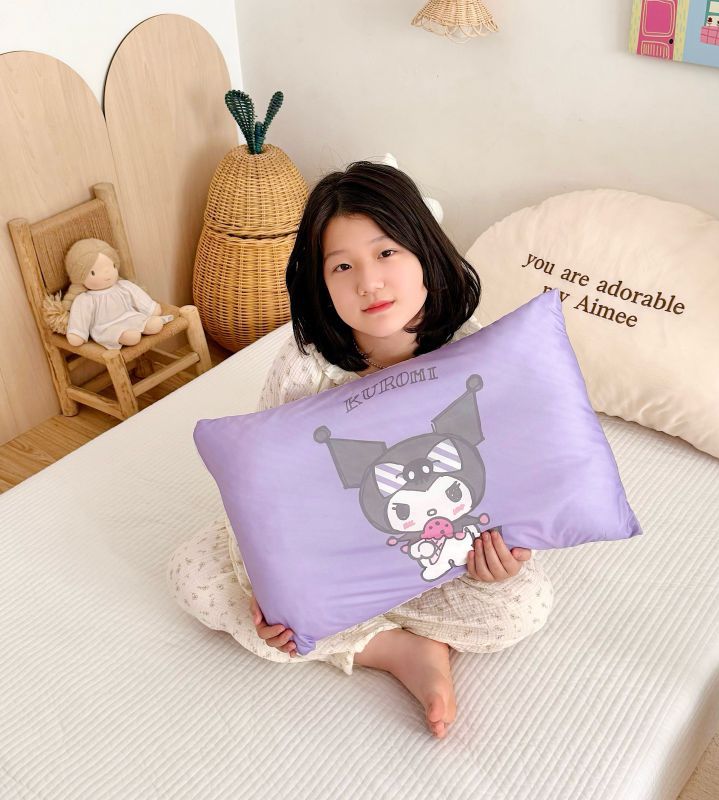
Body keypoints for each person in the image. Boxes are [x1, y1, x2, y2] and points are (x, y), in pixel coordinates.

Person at [166, 161, 554, 740]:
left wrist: (501, 562)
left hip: (438, 555)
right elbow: (266, 491)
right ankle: (393, 649)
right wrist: (272, 590)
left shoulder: (473, 351)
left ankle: (362, 629)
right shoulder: (305, 368)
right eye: (342, 266)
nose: (369, 283)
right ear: (320, 283)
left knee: (525, 607)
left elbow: (508, 473)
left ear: (425, 253)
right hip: (332, 557)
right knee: (193, 576)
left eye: (386, 253)